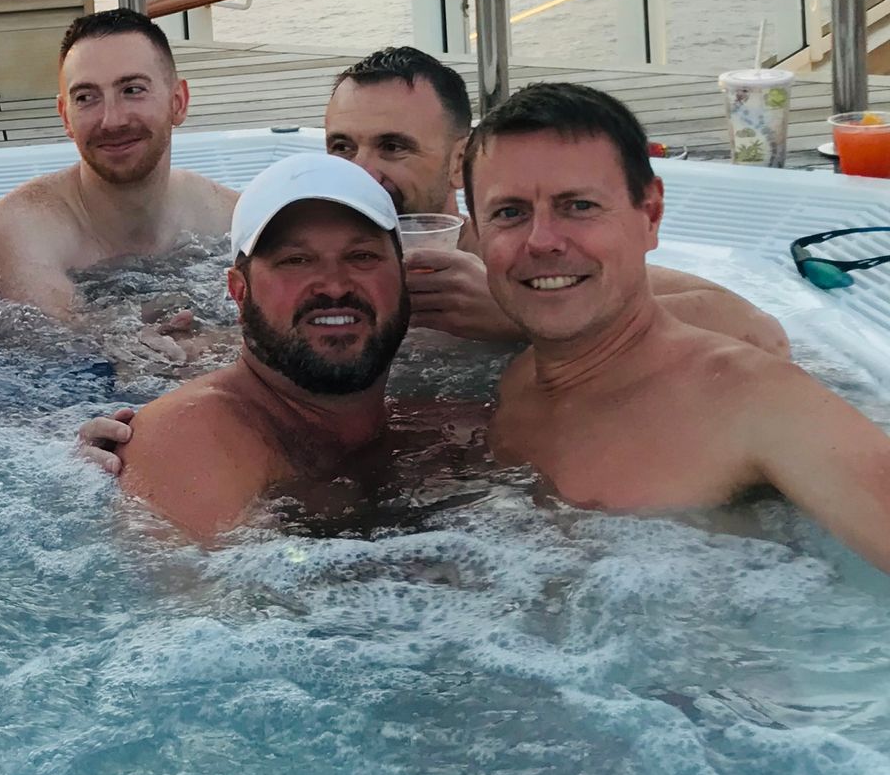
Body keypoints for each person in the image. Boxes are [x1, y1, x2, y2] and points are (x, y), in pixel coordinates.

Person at [468, 82, 890, 572]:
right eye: (510, 212)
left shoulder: (756, 403)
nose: (542, 241)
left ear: (651, 214)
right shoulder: (517, 381)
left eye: (578, 206)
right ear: (476, 234)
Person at [325, 45, 786, 355]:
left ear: (458, 161)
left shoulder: (511, 255)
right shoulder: (300, 266)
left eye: (393, 147)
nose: (360, 172)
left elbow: (756, 332)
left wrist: (515, 314)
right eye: (342, 148)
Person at [117, 155, 413, 544]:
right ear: (239, 292)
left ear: (405, 276)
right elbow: (217, 599)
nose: (334, 285)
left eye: (361, 257)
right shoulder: (188, 436)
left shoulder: (430, 423)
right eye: (296, 261)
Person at [0, 10, 235, 318]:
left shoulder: (230, 221)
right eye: (87, 98)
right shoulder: (25, 227)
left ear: (178, 102)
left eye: (132, 90)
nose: (111, 120)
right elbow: (67, 342)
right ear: (66, 117)